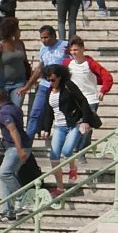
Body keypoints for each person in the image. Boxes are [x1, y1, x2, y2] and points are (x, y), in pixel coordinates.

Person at [37, 64, 98, 198]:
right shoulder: (49, 91)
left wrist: (86, 121)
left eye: (53, 80)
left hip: (75, 124)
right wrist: (45, 128)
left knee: (66, 151)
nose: (51, 83)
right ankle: (60, 187)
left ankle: (73, 168)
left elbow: (83, 102)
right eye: (48, 80)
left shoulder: (68, 86)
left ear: (60, 77)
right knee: (54, 157)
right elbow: (48, 111)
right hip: (59, 126)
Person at [61, 36, 112, 164]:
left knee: (86, 127)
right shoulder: (67, 63)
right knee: (76, 127)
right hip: (75, 101)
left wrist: (103, 90)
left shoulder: (90, 63)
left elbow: (107, 76)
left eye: (76, 50)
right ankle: (73, 150)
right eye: (71, 50)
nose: (73, 53)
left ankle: (81, 153)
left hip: (90, 99)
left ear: (82, 49)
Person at [0, 87, 32, 223]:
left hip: (15, 148)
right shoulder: (14, 108)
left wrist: (19, 150)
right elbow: (12, 124)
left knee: (4, 173)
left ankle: (23, 200)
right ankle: (8, 212)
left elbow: (13, 130)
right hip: (19, 146)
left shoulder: (4, 112)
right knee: (4, 178)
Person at [17, 25, 69, 139]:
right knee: (35, 113)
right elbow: (39, 68)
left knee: (63, 114)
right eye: (41, 38)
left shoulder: (65, 46)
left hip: (61, 86)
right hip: (45, 85)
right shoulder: (43, 49)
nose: (43, 40)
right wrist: (27, 86)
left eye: (46, 37)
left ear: (53, 36)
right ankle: (27, 144)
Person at [0, 17, 31, 108]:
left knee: (16, 108)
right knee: (5, 110)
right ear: (12, 31)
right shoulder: (0, 46)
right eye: (18, 29)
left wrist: (29, 77)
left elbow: (25, 62)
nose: (20, 32)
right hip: (3, 84)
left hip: (19, 83)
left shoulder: (20, 44)